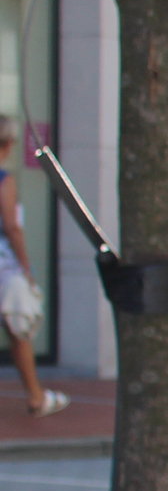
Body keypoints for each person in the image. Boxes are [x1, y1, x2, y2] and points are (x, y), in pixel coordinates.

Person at [0, 120, 67, 418]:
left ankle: (37, 396)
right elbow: (12, 227)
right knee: (18, 330)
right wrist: (25, 267)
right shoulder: (4, 180)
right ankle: (36, 396)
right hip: (4, 267)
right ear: (8, 144)